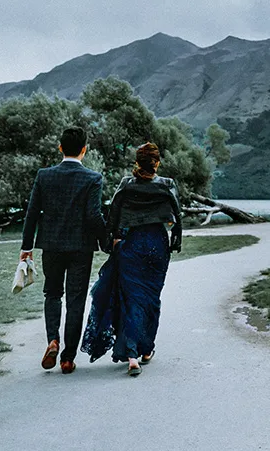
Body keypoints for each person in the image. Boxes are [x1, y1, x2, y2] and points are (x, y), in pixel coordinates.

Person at [82, 142, 182, 376]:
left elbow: (113, 215)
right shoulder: (167, 185)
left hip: (134, 244)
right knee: (152, 299)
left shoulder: (127, 184)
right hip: (157, 244)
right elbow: (177, 217)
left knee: (132, 299)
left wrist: (112, 242)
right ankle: (146, 349)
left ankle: (132, 354)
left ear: (137, 162)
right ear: (157, 163)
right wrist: (175, 242)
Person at [20, 126, 106, 375]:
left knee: (53, 294)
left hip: (52, 246)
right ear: (84, 150)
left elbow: (32, 214)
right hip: (80, 248)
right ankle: (68, 358)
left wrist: (27, 248)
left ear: (60, 148)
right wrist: (106, 240)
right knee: (76, 300)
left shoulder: (44, 176)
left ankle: (52, 340)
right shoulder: (92, 178)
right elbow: (93, 216)